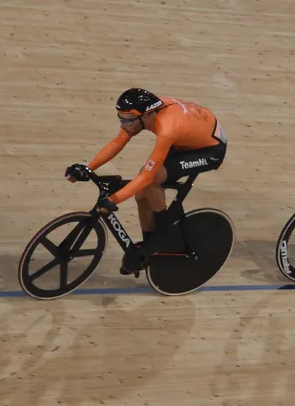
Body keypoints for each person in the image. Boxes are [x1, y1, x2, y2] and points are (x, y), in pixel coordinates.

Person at [69, 88, 226, 273]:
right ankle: (148, 245)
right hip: (187, 139)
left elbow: (147, 177)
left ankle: (163, 231)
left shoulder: (167, 128)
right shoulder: (143, 113)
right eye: (121, 118)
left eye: (128, 119)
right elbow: (117, 143)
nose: (124, 124)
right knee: (141, 195)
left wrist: (113, 200)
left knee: (151, 179)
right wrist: (88, 168)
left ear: (148, 115)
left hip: (209, 150)